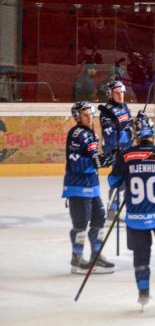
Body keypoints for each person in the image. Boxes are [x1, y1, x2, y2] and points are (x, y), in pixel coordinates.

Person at [108, 112, 155, 310]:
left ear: (136, 134)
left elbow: (113, 182)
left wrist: (126, 176)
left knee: (141, 255)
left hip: (135, 218)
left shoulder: (125, 156)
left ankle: (143, 290)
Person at [62, 101, 115, 275]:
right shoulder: (76, 133)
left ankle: (96, 255)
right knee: (81, 223)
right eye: (85, 114)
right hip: (78, 187)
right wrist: (95, 162)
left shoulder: (90, 132)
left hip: (92, 187)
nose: (90, 117)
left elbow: (94, 157)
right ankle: (76, 258)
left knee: (99, 218)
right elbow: (75, 161)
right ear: (77, 117)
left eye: (91, 114)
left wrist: (105, 158)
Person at [99, 79, 133, 221]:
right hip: (116, 153)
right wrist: (129, 133)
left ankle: (116, 210)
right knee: (119, 182)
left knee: (128, 182)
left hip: (128, 151)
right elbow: (112, 137)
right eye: (116, 93)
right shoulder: (107, 112)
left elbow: (128, 124)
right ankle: (112, 212)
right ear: (110, 95)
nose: (120, 95)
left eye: (122, 92)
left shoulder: (124, 106)